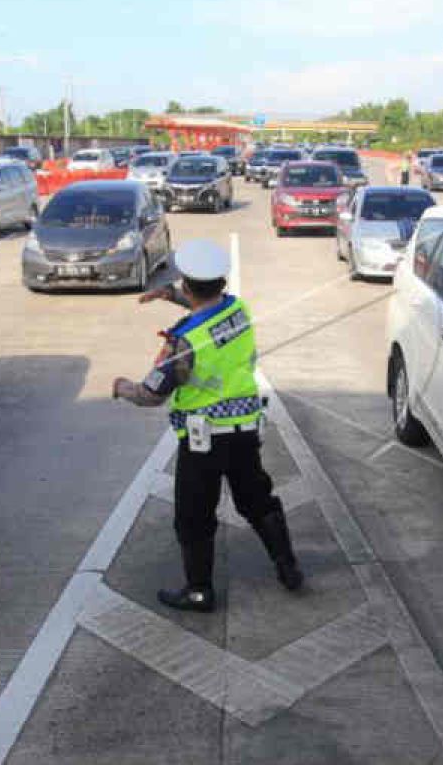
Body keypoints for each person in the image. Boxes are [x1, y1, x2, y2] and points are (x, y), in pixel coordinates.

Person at [112, 239, 303, 612]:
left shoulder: (182, 345)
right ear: (221, 282)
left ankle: (199, 591)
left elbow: (151, 395)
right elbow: (209, 308)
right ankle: (288, 566)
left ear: (187, 285)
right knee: (257, 500)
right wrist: (171, 296)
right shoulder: (238, 310)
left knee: (194, 515)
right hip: (245, 432)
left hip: (203, 444)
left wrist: (121, 387)